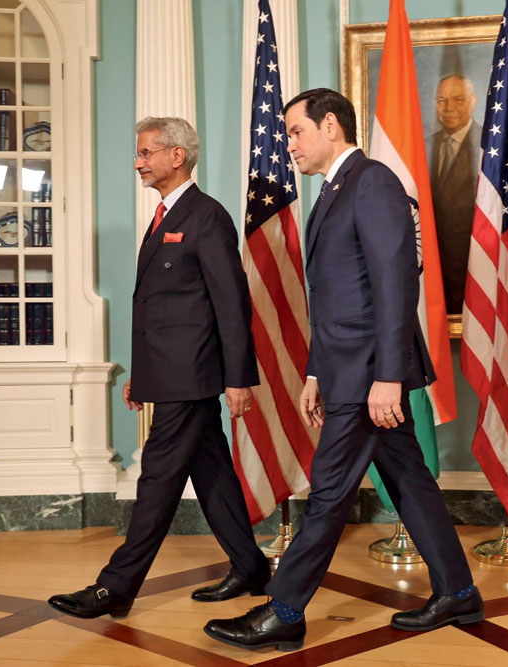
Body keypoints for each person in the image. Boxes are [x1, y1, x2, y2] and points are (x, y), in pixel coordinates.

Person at [204, 89, 483, 652]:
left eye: (295, 132)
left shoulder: (373, 181)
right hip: (345, 370)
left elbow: (394, 283)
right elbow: (335, 300)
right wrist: (313, 373)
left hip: (367, 377)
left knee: (329, 492)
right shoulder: (335, 190)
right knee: (410, 481)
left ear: (331, 126)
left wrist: (386, 376)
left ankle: (284, 609)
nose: (289, 147)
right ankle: (457, 591)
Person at [48, 117, 270, 620]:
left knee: (157, 479)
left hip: (192, 377)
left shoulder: (206, 216)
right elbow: (160, 308)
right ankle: (251, 567)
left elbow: (231, 304)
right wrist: (141, 376)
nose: (137, 162)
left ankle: (115, 587)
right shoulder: (164, 216)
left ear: (178, 156)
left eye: (147, 153)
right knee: (212, 472)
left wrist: (238, 378)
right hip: (170, 374)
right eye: (138, 153)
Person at [426, 74, 481, 314]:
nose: (449, 108)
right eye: (441, 100)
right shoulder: (424, 146)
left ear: (473, 101)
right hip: (430, 273)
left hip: (475, 274)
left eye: (458, 99)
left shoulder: (490, 146)